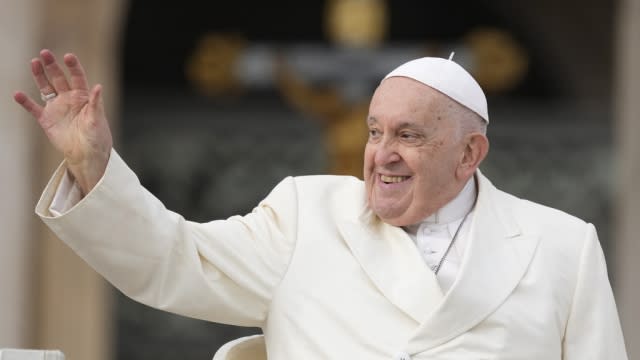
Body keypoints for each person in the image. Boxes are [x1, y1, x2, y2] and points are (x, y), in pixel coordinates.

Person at [14, 49, 627, 359]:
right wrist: (92, 164)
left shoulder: (562, 246)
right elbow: (174, 260)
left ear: (469, 154)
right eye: (375, 131)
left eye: (409, 136)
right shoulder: (307, 214)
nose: (381, 154)